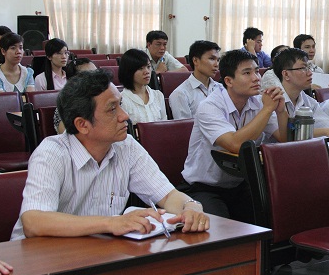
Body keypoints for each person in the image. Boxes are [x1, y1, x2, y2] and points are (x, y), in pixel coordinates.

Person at [11, 69, 209, 240]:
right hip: (42, 255)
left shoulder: (126, 146)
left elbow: (168, 196)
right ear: (82, 124)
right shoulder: (51, 153)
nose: (125, 116)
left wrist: (190, 207)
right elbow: (34, 222)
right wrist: (111, 223)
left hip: (98, 251)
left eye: (120, 104)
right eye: (112, 109)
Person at [180, 49, 288, 222]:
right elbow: (235, 145)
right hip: (204, 187)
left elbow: (284, 138)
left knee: (273, 215)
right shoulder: (209, 106)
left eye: (256, 71)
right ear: (229, 81)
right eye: (247, 73)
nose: (256, 78)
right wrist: (268, 109)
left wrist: (281, 112)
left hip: (240, 183)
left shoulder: (258, 102)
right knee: (221, 227)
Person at [272, 48, 329, 135]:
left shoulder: (309, 101)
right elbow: (286, 136)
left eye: (308, 68)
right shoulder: (272, 100)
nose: (310, 73)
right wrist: (326, 131)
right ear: (286, 74)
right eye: (303, 68)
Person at [170, 40, 221, 120]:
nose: (216, 64)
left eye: (218, 60)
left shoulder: (221, 88)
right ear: (195, 61)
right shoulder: (180, 94)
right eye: (212, 59)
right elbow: (185, 126)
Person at [119, 49, 167, 125]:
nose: (147, 72)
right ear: (129, 71)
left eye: (148, 67)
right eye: (140, 68)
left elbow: (165, 125)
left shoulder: (158, 95)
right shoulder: (122, 100)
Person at [54, 58, 98, 133]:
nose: (96, 79)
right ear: (74, 82)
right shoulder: (65, 107)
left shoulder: (103, 99)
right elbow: (69, 136)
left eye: (97, 74)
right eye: (89, 76)